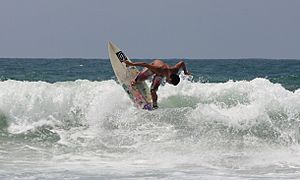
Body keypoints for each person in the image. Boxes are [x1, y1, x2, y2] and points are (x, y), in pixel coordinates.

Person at [124, 59, 190, 109]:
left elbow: (182, 63)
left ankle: (155, 105)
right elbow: (145, 64)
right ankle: (135, 80)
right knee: (138, 80)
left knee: (153, 91)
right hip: (154, 69)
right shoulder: (159, 69)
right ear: (170, 79)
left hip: (160, 75)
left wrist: (185, 72)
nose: (168, 83)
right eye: (170, 83)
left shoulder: (175, 70)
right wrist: (131, 64)